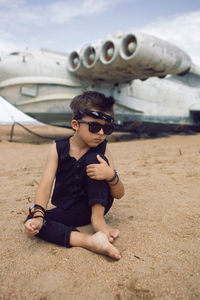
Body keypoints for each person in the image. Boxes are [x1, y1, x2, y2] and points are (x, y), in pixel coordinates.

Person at [24, 91, 125, 260]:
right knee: (33, 220)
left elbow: (119, 193)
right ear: (76, 124)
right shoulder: (57, 148)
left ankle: (98, 222)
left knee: (95, 159)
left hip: (97, 206)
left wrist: (110, 176)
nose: (101, 133)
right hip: (70, 209)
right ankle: (89, 241)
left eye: (107, 128)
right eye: (94, 127)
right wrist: (39, 216)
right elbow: (46, 184)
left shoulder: (103, 149)